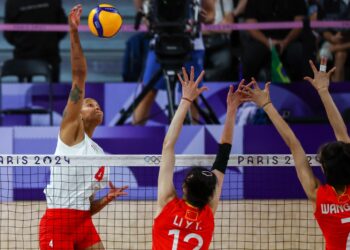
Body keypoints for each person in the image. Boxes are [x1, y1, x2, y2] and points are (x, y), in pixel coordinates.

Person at [39, 5, 128, 250]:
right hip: (58, 223)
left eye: (97, 104)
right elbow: (79, 75)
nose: (95, 106)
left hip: (83, 223)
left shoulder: (100, 155)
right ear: (78, 113)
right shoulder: (71, 132)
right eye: (89, 104)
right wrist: (73, 32)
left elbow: (87, 207)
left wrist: (106, 200)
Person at [242, 60, 350, 249]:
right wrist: (324, 92)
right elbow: (342, 134)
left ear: (324, 170)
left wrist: (267, 105)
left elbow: (294, 145)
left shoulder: (318, 194)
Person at [152, 66, 246, 249]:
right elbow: (223, 157)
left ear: (184, 186)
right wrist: (232, 111)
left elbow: (168, 146)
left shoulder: (167, 203)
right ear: (212, 194)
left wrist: (186, 100)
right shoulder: (208, 213)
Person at [132, 0, 215, 125]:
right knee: (147, 93)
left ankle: (193, 137)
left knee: (191, 97)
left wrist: (202, 18)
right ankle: (134, 139)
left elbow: (211, 15)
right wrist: (145, 14)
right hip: (160, 43)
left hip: (191, 46)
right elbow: (140, 6)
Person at [242, 0, 308, 81]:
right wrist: (267, 42)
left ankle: (300, 91)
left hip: (289, 40)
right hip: (261, 41)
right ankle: (248, 90)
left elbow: (300, 23)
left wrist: (285, 42)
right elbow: (250, 23)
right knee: (250, 57)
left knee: (299, 53)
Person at [3, 0, 67, 83]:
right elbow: (62, 28)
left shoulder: (12, 2)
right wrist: (50, 41)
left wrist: (22, 42)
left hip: (23, 55)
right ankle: (54, 93)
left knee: (24, 88)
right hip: (49, 54)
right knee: (53, 89)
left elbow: (8, 34)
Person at [319, 0, 350, 81]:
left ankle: (335, 86)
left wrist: (336, 48)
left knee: (340, 54)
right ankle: (336, 87)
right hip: (331, 41)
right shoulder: (326, 3)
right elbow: (322, 28)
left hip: (345, 42)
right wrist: (331, 38)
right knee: (334, 54)